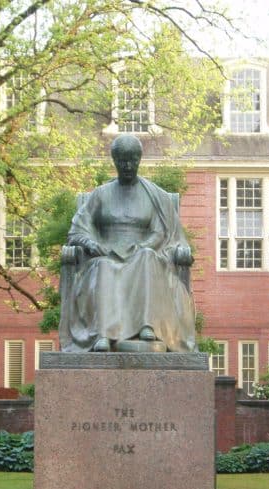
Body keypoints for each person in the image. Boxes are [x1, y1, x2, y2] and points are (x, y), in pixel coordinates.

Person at [59, 134, 196, 352]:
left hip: (143, 254)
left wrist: (144, 246)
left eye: (133, 160)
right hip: (105, 256)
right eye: (122, 161)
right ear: (114, 161)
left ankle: (146, 325)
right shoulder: (101, 195)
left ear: (139, 159)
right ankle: (103, 334)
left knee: (147, 258)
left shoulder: (155, 196)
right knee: (103, 266)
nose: (128, 166)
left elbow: (161, 231)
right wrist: (93, 244)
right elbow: (77, 231)